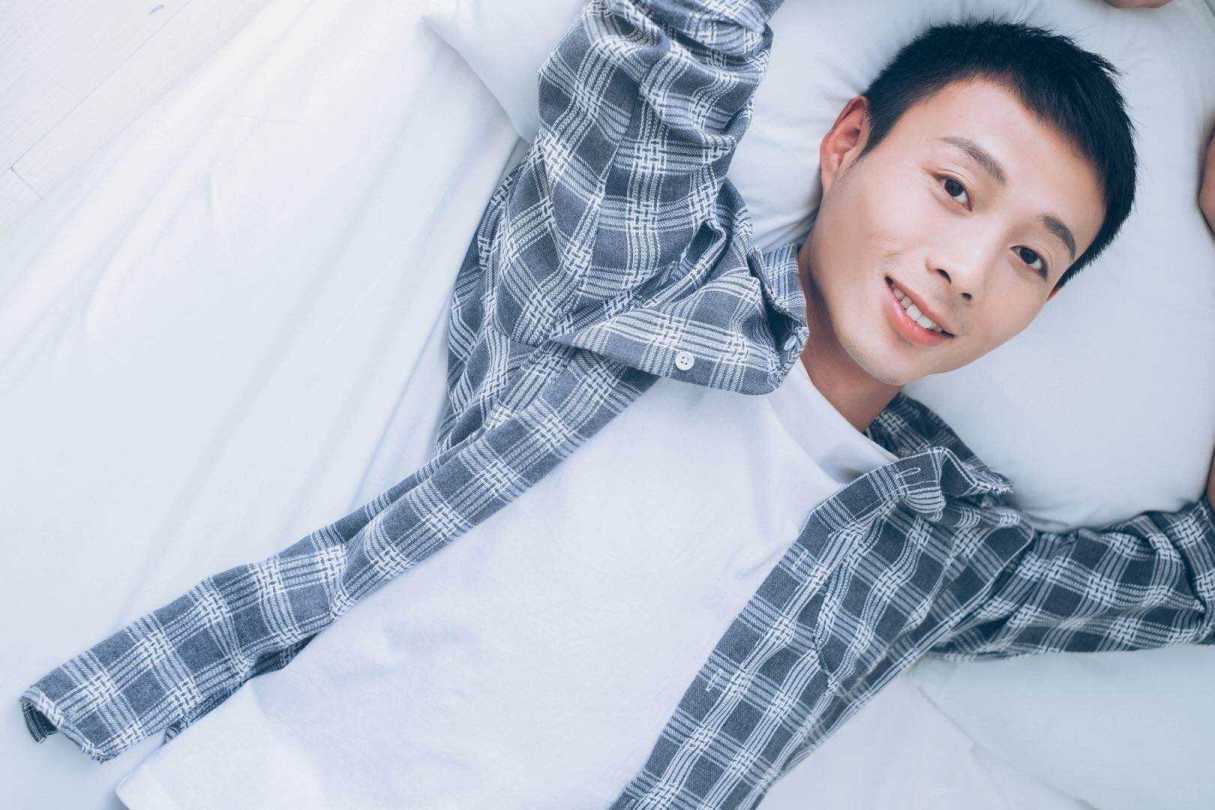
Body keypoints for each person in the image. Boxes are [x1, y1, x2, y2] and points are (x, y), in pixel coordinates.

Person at [19, 0, 1215, 808]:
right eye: (955, 188)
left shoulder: (936, 549)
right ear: (845, 142)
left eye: (1031, 258)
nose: (967, 267)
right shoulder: (645, 288)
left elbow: (1188, 583)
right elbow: (675, 39)